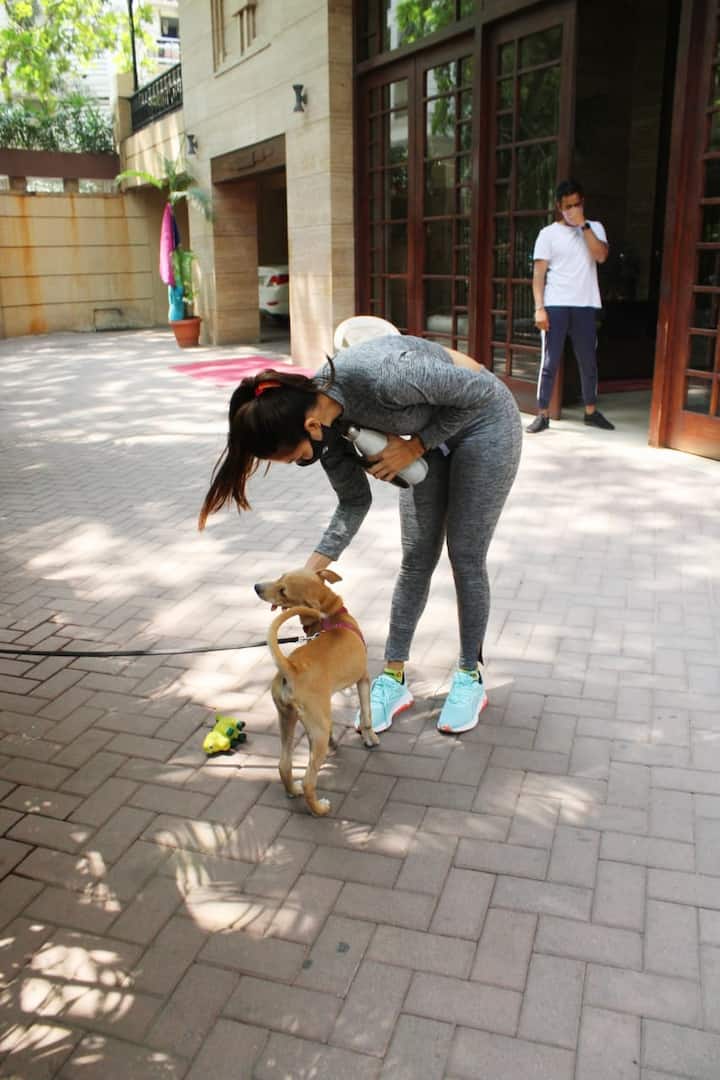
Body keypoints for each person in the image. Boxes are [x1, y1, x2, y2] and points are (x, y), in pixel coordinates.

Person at [198, 336, 522, 735]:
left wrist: (416, 446)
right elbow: (353, 502)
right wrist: (306, 578)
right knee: (417, 556)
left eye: (295, 457)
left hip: (483, 423)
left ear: (310, 427)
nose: (301, 462)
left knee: (465, 554)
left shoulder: (384, 379)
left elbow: (480, 393)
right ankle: (394, 676)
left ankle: (469, 675)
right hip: (425, 440)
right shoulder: (324, 429)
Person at [527, 179, 614, 433]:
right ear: (558, 206)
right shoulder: (548, 234)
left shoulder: (595, 227)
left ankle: (590, 411)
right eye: (567, 206)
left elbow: (601, 256)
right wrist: (539, 307)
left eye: (576, 205)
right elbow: (538, 275)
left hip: (585, 304)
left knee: (588, 359)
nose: (572, 210)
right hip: (555, 304)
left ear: (582, 203)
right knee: (550, 360)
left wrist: (583, 226)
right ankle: (542, 414)